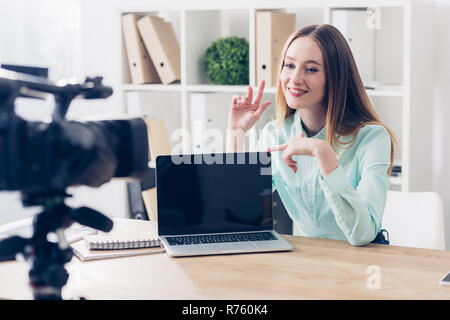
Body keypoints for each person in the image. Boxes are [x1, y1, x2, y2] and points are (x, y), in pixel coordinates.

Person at [226, 24, 395, 246]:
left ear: (335, 77)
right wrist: (236, 134)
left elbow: (362, 234)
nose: (294, 78)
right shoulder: (276, 134)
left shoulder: (372, 138)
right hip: (312, 258)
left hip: (365, 261)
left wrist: (323, 153)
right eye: (289, 65)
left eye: (311, 69)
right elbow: (240, 211)